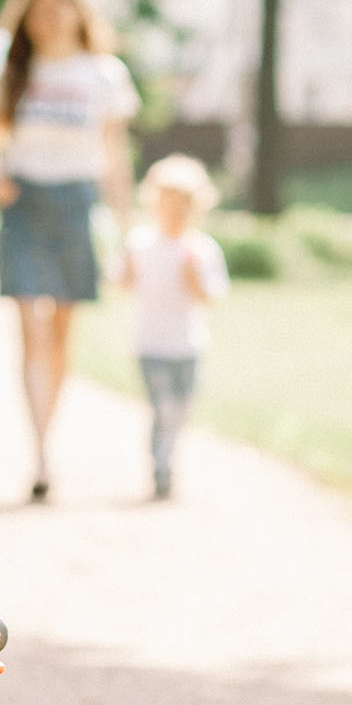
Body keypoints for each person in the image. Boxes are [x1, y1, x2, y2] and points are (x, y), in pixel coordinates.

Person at [0, 0, 137, 502]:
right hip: (24, 204)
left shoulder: (103, 74)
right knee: (28, 328)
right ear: (28, 16)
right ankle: (37, 450)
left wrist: (125, 226)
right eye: (39, 9)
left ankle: (50, 438)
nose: (50, 18)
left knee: (61, 334)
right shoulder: (14, 69)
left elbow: (115, 157)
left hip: (75, 203)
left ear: (77, 10)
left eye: (59, 6)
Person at [119, 155, 229, 501]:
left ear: (197, 206)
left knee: (180, 411)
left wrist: (194, 279)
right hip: (150, 346)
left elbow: (211, 296)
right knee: (163, 408)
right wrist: (125, 269)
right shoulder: (140, 243)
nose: (174, 209)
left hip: (189, 346)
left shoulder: (202, 249)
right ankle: (161, 466)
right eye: (167, 201)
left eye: (183, 202)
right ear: (153, 201)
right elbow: (121, 281)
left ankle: (167, 453)